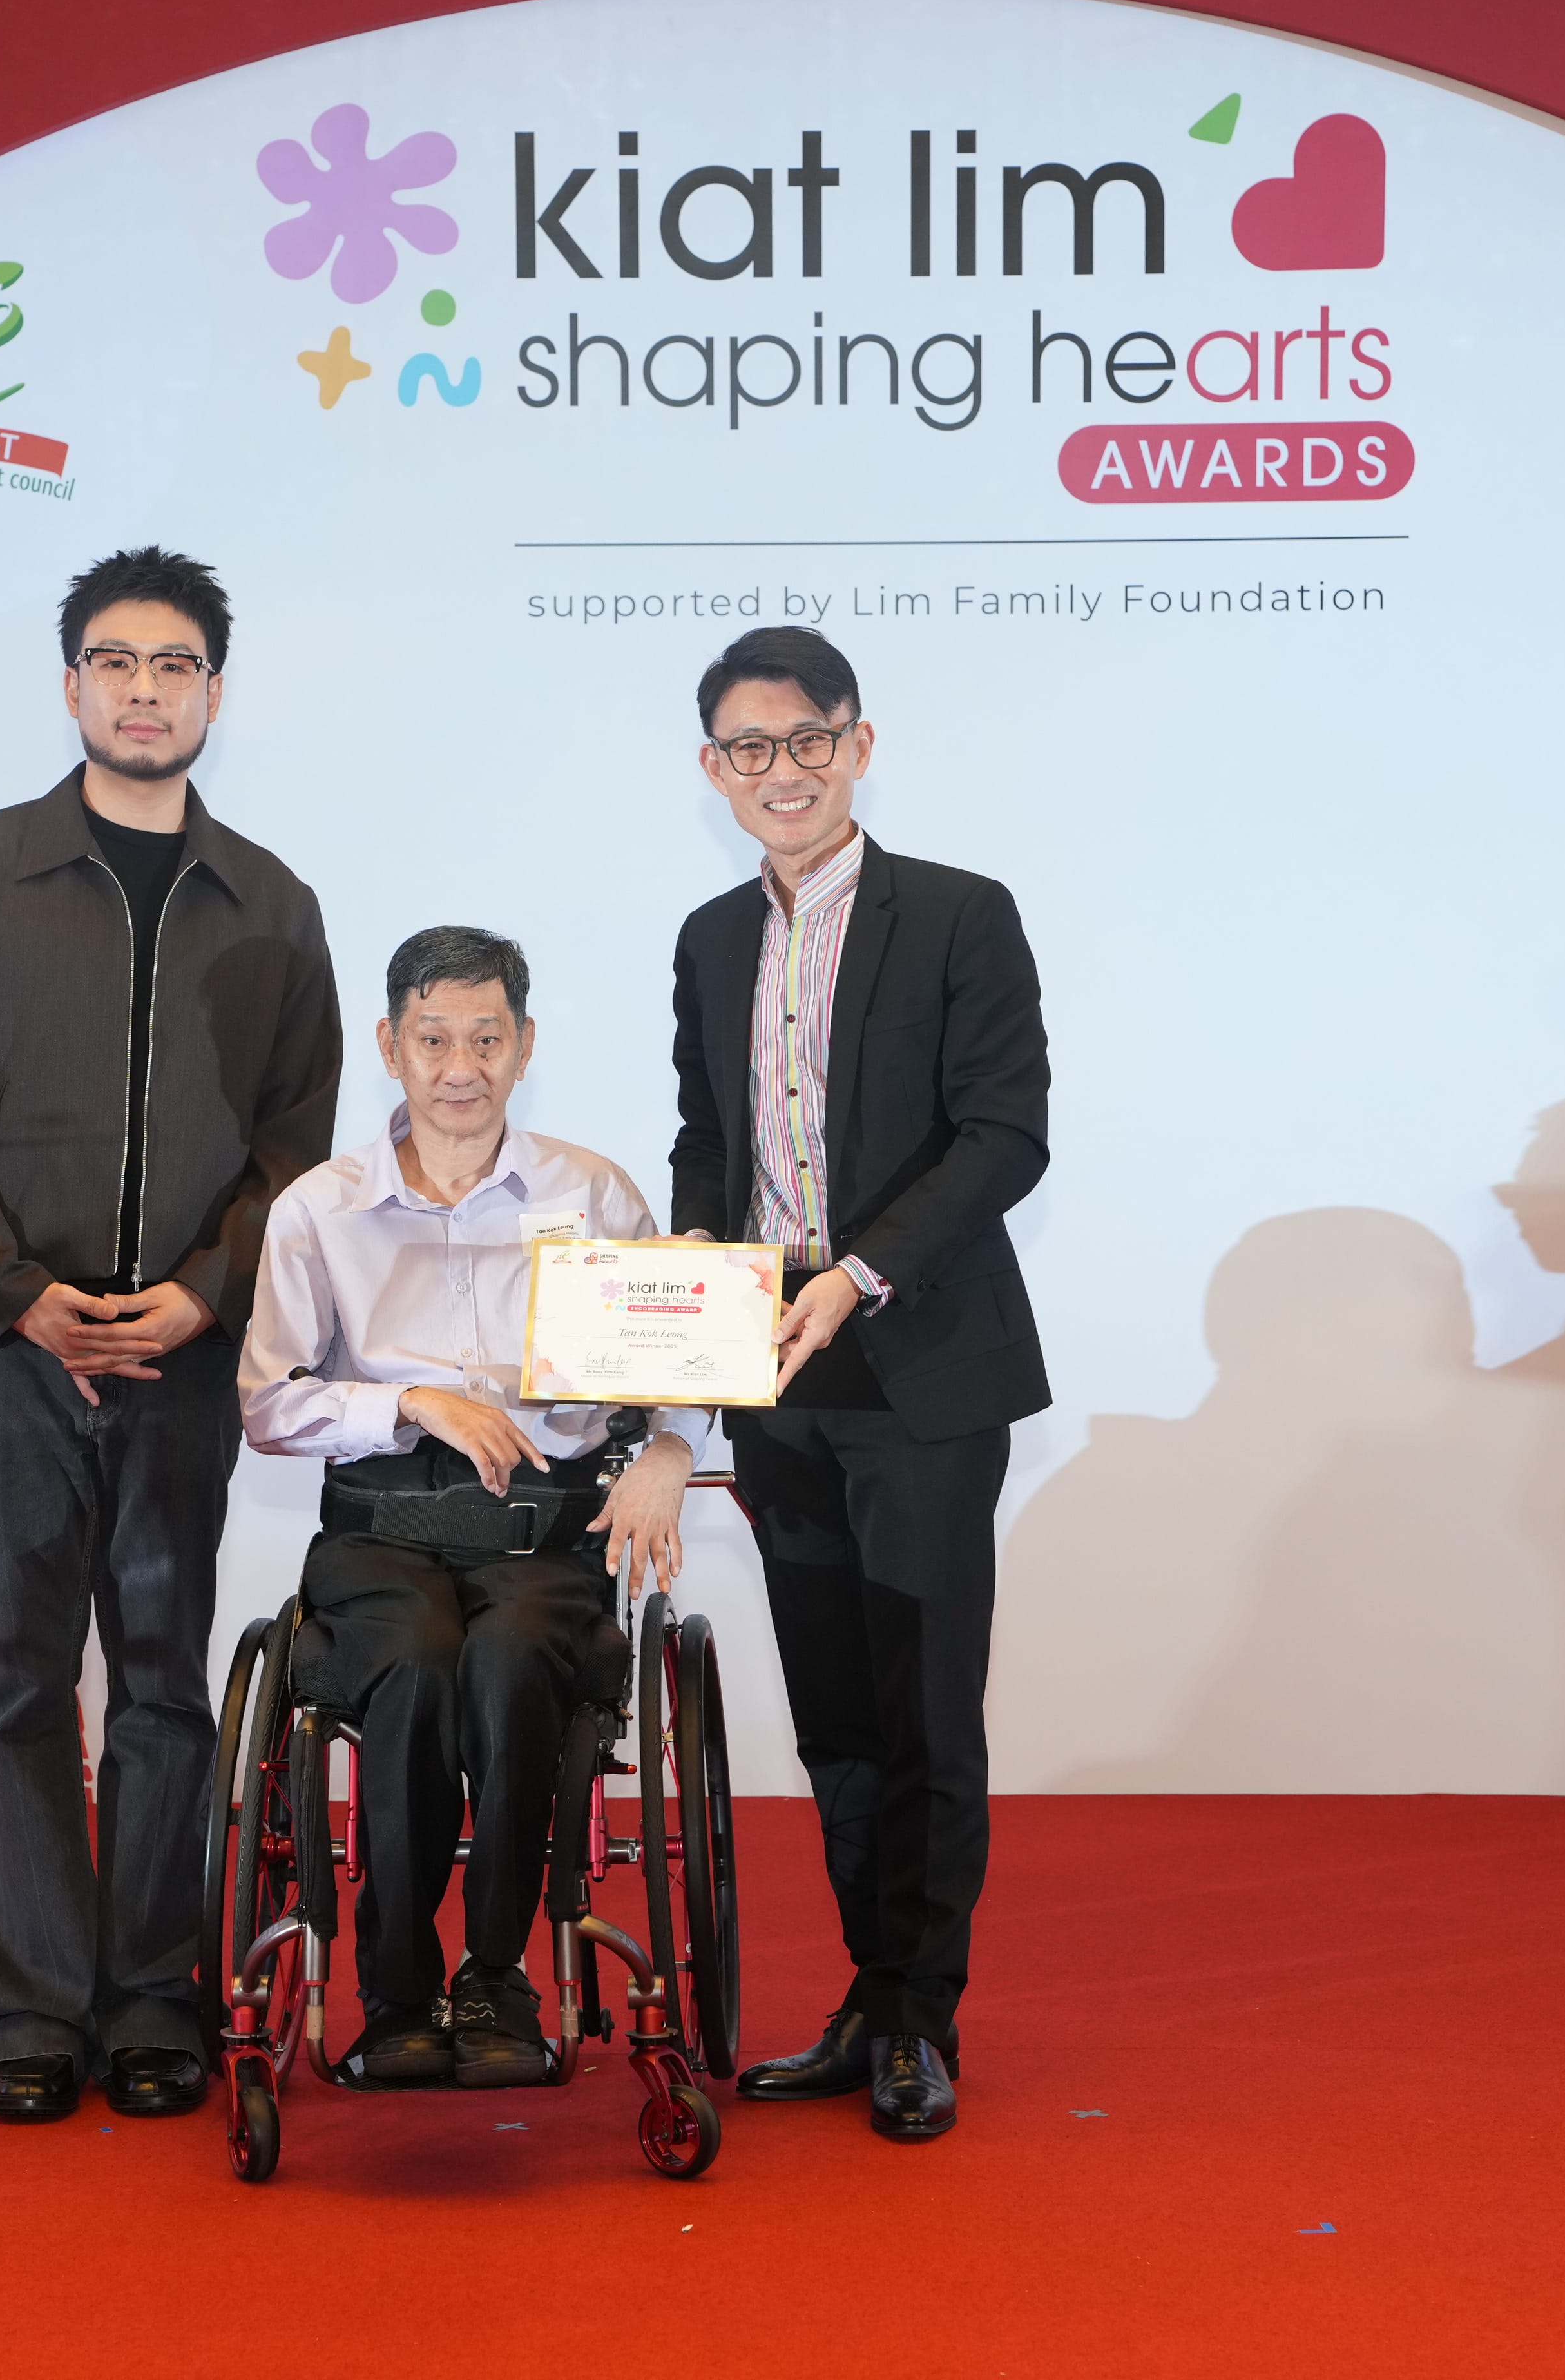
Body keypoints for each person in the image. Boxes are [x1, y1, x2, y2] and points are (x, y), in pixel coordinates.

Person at [0, 547, 341, 2125]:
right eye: (115, 661)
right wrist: (21, 1294)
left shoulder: (273, 903)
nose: (145, 690)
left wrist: (207, 1292)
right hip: (11, 1355)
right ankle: (27, 2008)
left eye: (176, 665)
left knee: (160, 1681)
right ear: (71, 682)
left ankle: (153, 1997)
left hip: (183, 1359)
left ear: (217, 690)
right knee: (20, 1679)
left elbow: (299, 1145)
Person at [667, 625, 1049, 2142]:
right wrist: (693, 1311)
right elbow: (709, 1141)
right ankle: (869, 1991)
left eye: (809, 740)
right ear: (714, 771)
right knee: (831, 1716)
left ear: (860, 744)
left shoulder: (960, 916)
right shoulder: (707, 938)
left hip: (924, 1375)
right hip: (779, 1385)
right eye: (751, 750)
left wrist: (854, 1272)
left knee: (924, 1713)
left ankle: (920, 2020)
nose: (785, 772)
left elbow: (1003, 1137)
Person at [240, 926, 702, 2084]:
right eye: (435, 1038)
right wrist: (411, 1405)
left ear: (526, 1046)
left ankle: (497, 1981)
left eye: (487, 1038)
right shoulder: (320, 1208)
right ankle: (395, 1994)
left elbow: (683, 1356)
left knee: (506, 1668)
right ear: (392, 1048)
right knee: (411, 1664)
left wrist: (672, 1450)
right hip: (382, 1527)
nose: (462, 1065)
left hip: (543, 1531)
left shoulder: (591, 1193)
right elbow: (267, 1404)